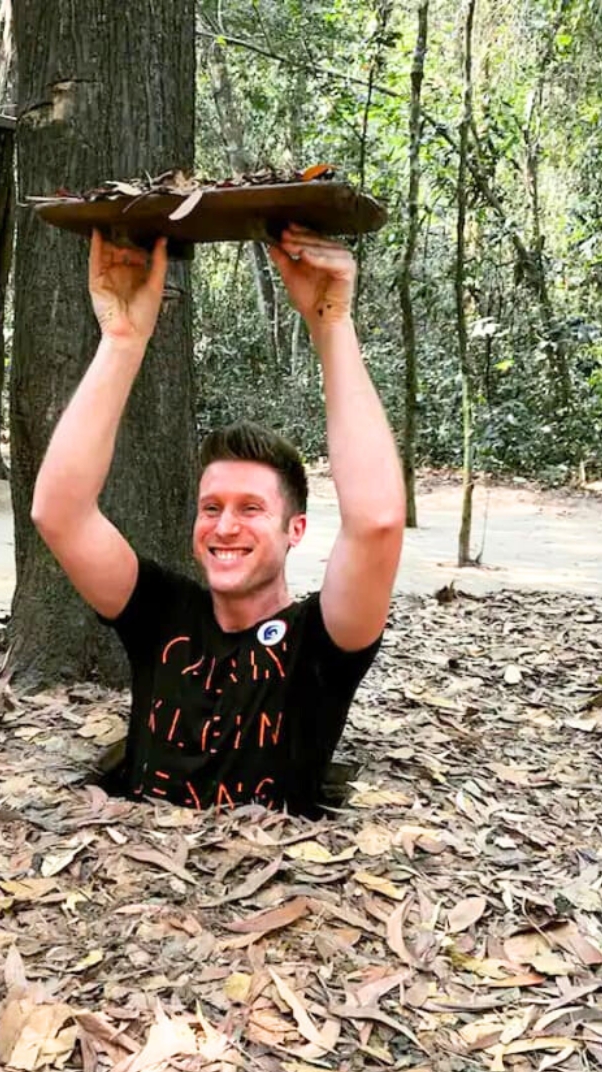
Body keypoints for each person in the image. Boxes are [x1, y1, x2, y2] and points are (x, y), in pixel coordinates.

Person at [32, 225, 405, 814]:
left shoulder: (322, 641)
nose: (225, 526)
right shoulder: (160, 613)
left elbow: (378, 521)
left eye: (251, 508)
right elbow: (58, 513)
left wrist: (332, 324)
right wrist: (123, 340)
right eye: (212, 508)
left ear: (295, 530)